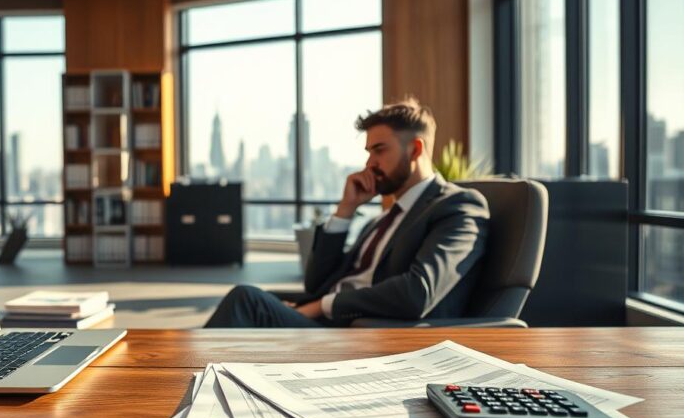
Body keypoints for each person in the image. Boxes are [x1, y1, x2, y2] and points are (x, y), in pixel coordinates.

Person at [204, 97, 489, 328]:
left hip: (365, 334)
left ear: (415, 150)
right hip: (332, 321)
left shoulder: (458, 207)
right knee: (249, 300)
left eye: (379, 150)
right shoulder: (381, 221)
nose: (369, 163)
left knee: (246, 301)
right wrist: (345, 210)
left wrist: (321, 307)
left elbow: (418, 292)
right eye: (368, 152)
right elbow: (316, 283)